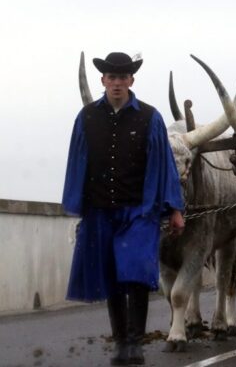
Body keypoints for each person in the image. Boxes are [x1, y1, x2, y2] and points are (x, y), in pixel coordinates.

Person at [62, 52, 185, 366]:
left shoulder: (150, 117)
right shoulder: (86, 117)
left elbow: (165, 165)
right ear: (103, 80)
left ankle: (135, 343)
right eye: (111, 77)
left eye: (123, 77)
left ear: (131, 80)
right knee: (113, 276)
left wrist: (174, 208)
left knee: (136, 275)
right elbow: (77, 160)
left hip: (138, 211)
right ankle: (120, 343)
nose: (117, 83)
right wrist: (76, 203)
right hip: (100, 210)